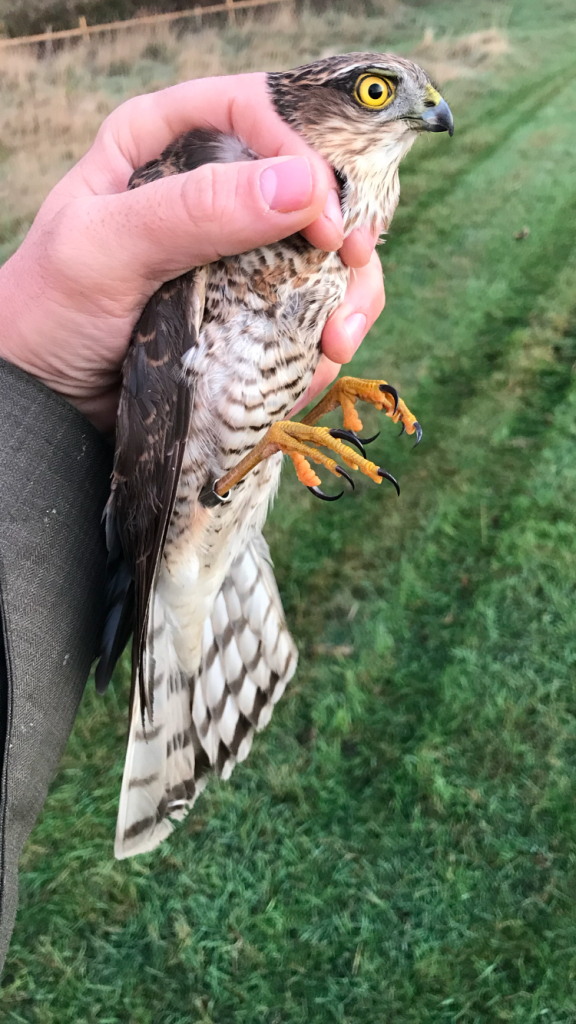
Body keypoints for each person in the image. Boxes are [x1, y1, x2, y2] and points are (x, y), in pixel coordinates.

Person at [0, 72, 384, 969]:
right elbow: (180, 444)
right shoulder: (217, 188)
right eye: (375, 92)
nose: (422, 111)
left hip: (225, 484)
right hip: (184, 503)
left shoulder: (336, 217)